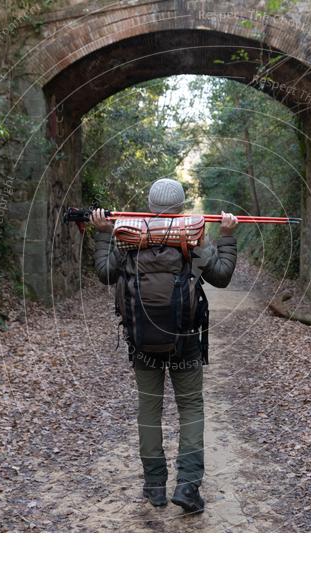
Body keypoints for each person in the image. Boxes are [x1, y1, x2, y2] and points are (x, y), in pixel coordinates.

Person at [91, 178, 238, 513]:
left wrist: (102, 232)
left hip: (142, 339)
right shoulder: (193, 237)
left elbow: (105, 273)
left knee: (149, 410)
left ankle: (155, 486)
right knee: (190, 409)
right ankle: (187, 486)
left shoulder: (128, 236)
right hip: (184, 340)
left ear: (149, 205)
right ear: (181, 207)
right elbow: (221, 276)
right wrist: (227, 237)